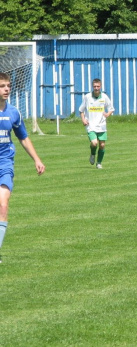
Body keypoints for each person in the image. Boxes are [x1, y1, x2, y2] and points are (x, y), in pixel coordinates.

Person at [0, 72, 46, 263]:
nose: (7, 89)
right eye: (3, 86)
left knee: (3, 205)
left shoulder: (14, 112)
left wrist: (37, 159)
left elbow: (23, 138)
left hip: (5, 163)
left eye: (8, 85)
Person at [79, 78, 114, 169]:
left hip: (101, 125)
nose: (96, 88)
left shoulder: (104, 97)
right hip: (90, 125)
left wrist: (107, 114)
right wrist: (83, 120)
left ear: (100, 86)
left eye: (98, 86)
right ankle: (93, 154)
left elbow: (111, 109)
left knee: (102, 145)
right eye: (95, 86)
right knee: (94, 143)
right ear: (92, 86)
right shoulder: (87, 97)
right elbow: (81, 110)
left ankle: (99, 163)